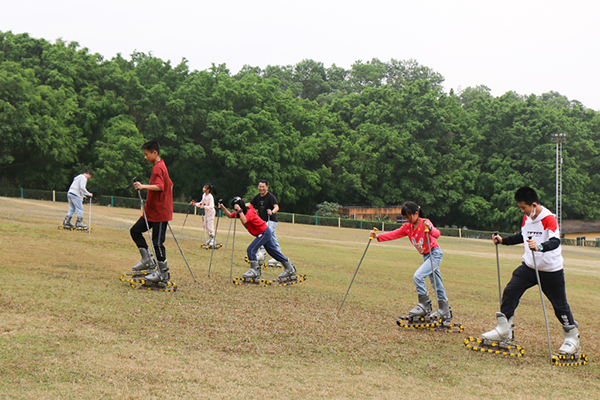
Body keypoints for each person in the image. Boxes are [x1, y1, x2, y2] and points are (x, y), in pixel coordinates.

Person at [481, 187, 581, 356]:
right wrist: (503, 240)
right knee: (511, 291)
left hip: (550, 270)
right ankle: (504, 329)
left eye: (524, 207)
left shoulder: (549, 218)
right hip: (529, 267)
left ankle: (572, 338)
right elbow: (522, 235)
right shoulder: (527, 218)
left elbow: (555, 241)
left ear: (534, 205)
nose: (523, 211)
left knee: (560, 306)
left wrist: (540, 246)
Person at [371, 201, 452, 322]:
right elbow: (395, 234)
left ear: (416, 213)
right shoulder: (407, 227)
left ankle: (425, 305)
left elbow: (437, 234)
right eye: (405, 217)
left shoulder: (424, 222)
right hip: (426, 256)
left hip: (434, 254)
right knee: (436, 283)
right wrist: (378, 236)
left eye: (409, 216)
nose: (408, 219)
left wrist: (429, 228)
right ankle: (444, 310)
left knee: (418, 276)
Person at [219, 197, 296, 282]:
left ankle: (255, 271)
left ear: (239, 207)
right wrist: (223, 208)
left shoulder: (249, 212)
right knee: (273, 252)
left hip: (264, 232)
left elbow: (244, 220)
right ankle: (289, 268)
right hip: (263, 233)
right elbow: (230, 216)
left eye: (234, 209)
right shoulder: (241, 212)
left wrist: (239, 210)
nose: (234, 211)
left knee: (251, 249)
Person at [130, 140, 173, 284]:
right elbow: (170, 184)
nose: (145, 157)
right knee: (135, 231)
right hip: (151, 212)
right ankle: (147, 260)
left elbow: (160, 186)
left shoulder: (158, 168)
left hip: (160, 213)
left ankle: (163, 273)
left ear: (155, 153)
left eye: (147, 154)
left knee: (158, 243)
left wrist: (142, 186)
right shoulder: (159, 166)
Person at [248, 180, 281, 264]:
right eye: (260, 186)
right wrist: (239, 205)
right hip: (263, 221)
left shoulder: (270, 196)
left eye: (263, 187)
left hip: (271, 220)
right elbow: (250, 204)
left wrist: (272, 212)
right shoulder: (258, 197)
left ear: (267, 187)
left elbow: (276, 207)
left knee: (263, 235)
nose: (261, 188)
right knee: (272, 238)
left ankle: (261, 254)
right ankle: (278, 257)